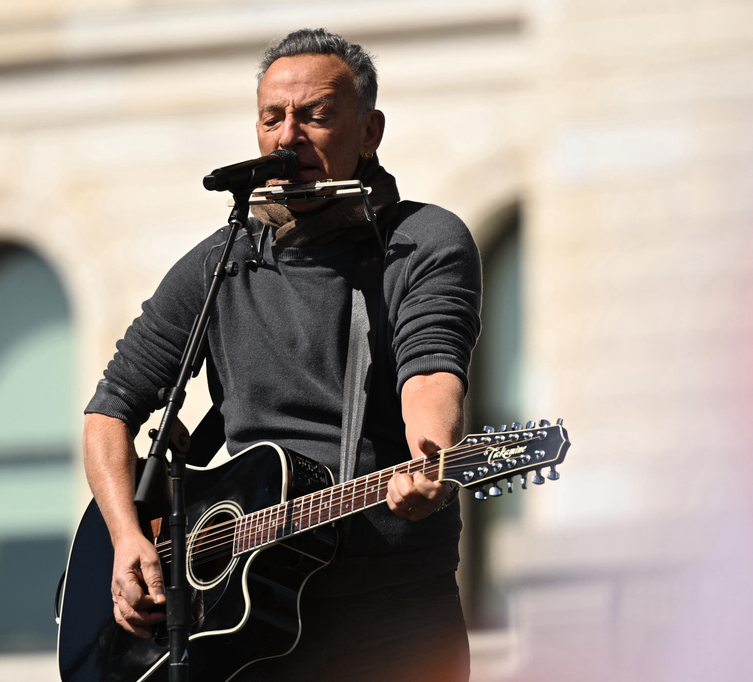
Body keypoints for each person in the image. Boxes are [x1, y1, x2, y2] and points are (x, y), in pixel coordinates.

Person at [83, 28, 481, 682]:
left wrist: (429, 455)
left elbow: (432, 366)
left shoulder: (422, 242)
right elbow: (110, 410)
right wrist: (128, 537)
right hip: (243, 623)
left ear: (369, 131)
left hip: (393, 617)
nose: (288, 136)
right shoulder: (223, 260)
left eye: (315, 116)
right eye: (273, 118)